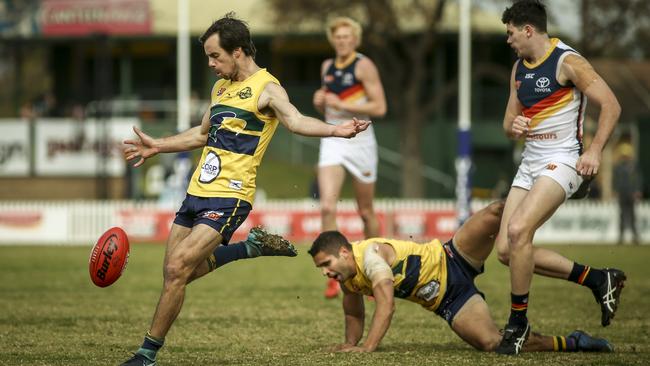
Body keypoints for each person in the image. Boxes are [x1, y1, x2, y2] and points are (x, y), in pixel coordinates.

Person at [119, 13, 370, 366]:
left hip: (230, 197)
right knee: (177, 273)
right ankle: (247, 249)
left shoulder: (268, 88)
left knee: (177, 270)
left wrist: (336, 130)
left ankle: (146, 355)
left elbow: (296, 121)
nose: (210, 64)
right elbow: (202, 134)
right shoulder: (220, 89)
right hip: (196, 193)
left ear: (238, 52)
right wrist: (157, 145)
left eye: (214, 56)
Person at [309, 201, 614, 354]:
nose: (325, 272)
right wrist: (350, 344)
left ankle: (546, 202)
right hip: (450, 300)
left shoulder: (370, 256)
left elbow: (386, 307)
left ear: (345, 252)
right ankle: (574, 342)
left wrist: (367, 349)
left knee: (496, 211)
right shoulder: (347, 277)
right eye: (321, 268)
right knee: (497, 344)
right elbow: (353, 312)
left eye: (327, 263)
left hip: (454, 255)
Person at [496, 0, 625, 354]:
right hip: (531, 161)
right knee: (506, 251)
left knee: (519, 231)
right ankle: (598, 278)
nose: (508, 41)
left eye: (510, 33)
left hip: (564, 159)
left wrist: (595, 150)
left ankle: (518, 323)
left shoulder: (568, 62)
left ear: (527, 30)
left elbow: (611, 104)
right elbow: (508, 123)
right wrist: (515, 126)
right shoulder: (518, 69)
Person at [312, 16, 387, 299]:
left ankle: (374, 268)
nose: (342, 41)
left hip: (361, 141)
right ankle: (332, 271)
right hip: (334, 139)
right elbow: (328, 104)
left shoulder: (364, 65)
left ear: (355, 39)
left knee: (365, 210)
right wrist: (320, 102)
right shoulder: (327, 66)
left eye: (347, 37)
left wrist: (342, 104)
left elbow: (379, 107)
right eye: (338, 37)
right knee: (327, 205)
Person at [613, 142, 642, 245]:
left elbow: (637, 179)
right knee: (622, 216)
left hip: (631, 193)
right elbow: (615, 180)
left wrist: (637, 190)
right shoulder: (618, 167)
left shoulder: (633, 166)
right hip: (622, 193)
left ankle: (635, 237)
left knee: (633, 216)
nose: (625, 157)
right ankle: (621, 237)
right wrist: (615, 190)